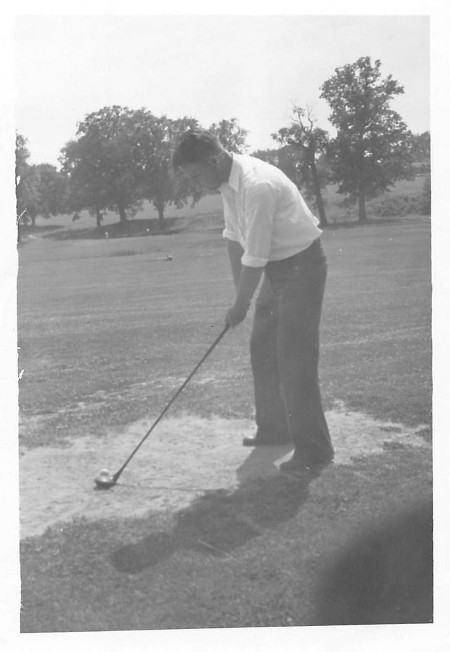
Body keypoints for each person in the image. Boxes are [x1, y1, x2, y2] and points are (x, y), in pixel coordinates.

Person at [172, 128, 333, 472]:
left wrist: (241, 306)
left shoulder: (257, 185)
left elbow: (255, 257)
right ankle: (276, 429)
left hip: (302, 268)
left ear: (214, 159)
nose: (196, 182)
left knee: (294, 358)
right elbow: (234, 240)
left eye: (197, 174)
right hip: (277, 269)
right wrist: (239, 299)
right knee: (262, 347)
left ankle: (315, 450)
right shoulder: (228, 184)